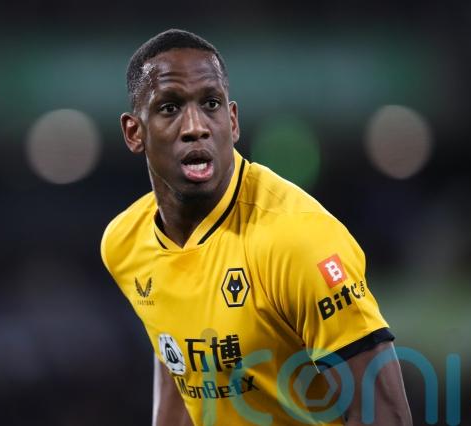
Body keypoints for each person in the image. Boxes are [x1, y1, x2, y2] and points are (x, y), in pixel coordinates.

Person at [101, 29, 412, 425]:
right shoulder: (124, 243)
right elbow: (178, 364)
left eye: (210, 104)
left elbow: (385, 413)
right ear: (134, 133)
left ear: (232, 121)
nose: (195, 126)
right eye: (169, 107)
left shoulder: (297, 240)